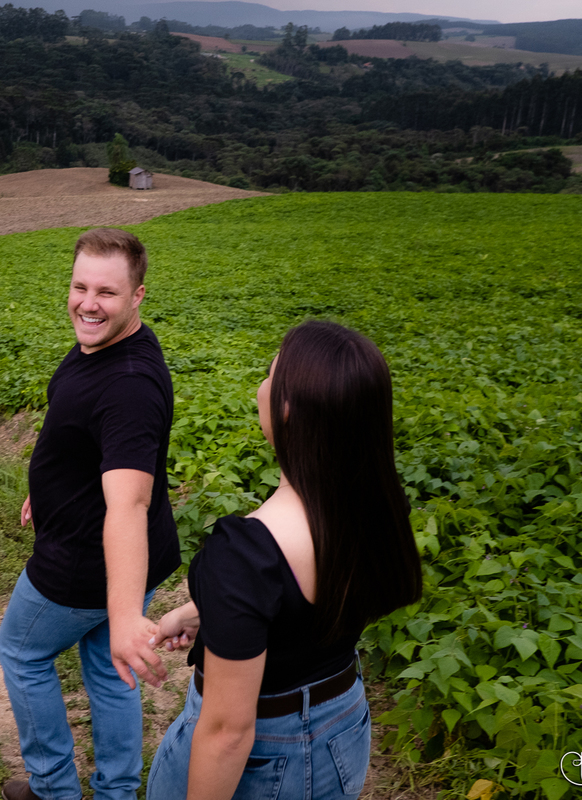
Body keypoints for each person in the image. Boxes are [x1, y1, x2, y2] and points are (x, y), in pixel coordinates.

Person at [145, 320, 423, 800]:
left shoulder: (245, 552)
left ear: (288, 409)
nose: (262, 386)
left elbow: (228, 734)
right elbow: (302, 606)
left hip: (264, 755)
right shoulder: (377, 507)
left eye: (270, 375)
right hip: (343, 724)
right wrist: (203, 612)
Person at [0, 228, 181, 800]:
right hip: (125, 553)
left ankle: (52, 789)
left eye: (106, 292)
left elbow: (129, 502)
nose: (88, 303)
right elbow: (85, 437)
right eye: (80, 287)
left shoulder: (129, 385)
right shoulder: (108, 348)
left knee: (21, 653)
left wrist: (124, 616)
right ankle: (116, 794)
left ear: (138, 296)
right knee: (109, 669)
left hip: (85, 561)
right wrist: (49, 486)